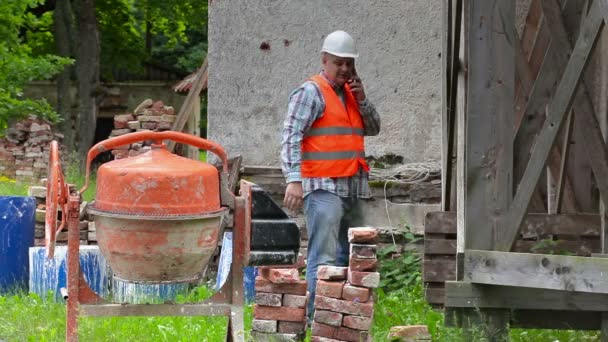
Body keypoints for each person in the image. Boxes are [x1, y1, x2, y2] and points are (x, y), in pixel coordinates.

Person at [280, 30, 381, 320]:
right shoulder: (310, 93)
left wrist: (362, 99)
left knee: (353, 257)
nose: (345, 69)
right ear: (325, 60)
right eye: (339, 63)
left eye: (349, 63)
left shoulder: (351, 95)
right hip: (323, 187)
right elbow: (290, 135)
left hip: (351, 187)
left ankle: (344, 321)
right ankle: (317, 320)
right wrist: (293, 179)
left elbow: (373, 127)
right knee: (323, 258)